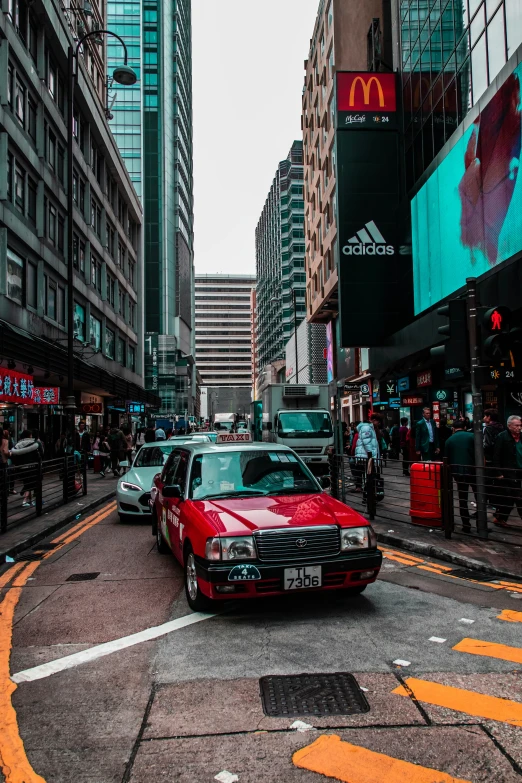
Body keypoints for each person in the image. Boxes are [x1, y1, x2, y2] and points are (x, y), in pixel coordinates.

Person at [445, 420, 476, 532]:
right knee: (479, 497)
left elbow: (446, 459)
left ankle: (466, 525)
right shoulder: (472, 436)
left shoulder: (449, 440)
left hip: (458, 472)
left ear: (453, 428)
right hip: (474, 471)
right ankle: (481, 526)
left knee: (463, 499)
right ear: (465, 427)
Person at [492, 415, 522, 527]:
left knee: (511, 498)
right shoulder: (502, 437)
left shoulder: (521, 436)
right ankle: (500, 517)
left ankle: (500, 517)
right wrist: (498, 472)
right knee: (518, 497)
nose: (519, 428)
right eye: (516, 425)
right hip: (509, 472)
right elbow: (496, 456)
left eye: (520, 425)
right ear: (509, 426)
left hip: (519, 470)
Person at [10, 430, 43, 507]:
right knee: (32, 484)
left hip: (21, 468)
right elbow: (41, 454)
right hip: (32, 467)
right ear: (30, 435)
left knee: (28, 483)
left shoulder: (18, 444)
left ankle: (29, 500)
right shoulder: (35, 443)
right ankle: (26, 500)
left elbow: (13, 455)